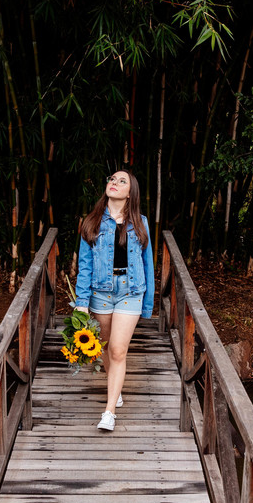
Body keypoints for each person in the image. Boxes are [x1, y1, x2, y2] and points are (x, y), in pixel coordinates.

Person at [73, 168, 155, 431]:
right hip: (101, 292)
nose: (115, 183)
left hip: (131, 292)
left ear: (130, 193)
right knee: (106, 346)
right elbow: (84, 266)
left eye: (122, 181)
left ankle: (109, 412)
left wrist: (148, 303)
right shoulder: (92, 222)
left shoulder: (140, 222)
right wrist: (81, 301)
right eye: (112, 179)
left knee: (119, 349)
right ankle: (114, 389)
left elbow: (148, 264)